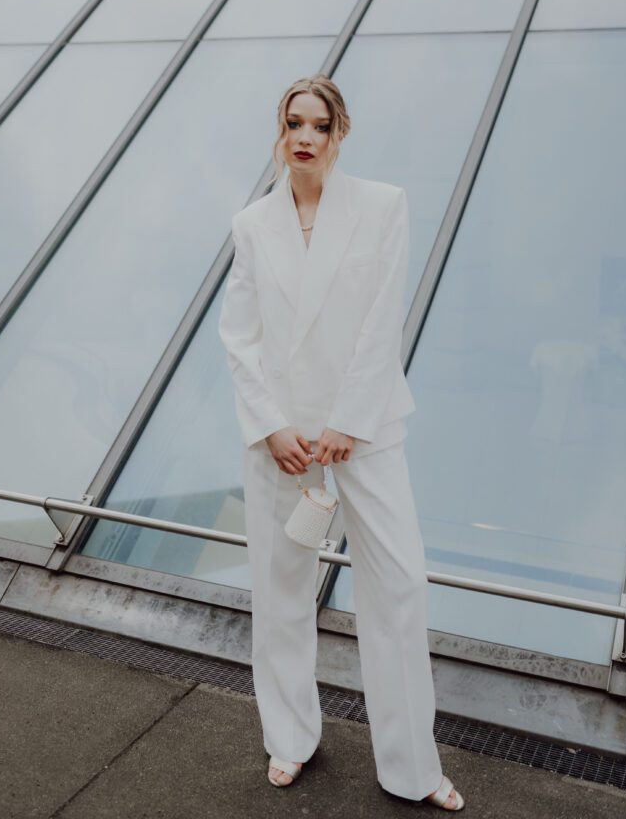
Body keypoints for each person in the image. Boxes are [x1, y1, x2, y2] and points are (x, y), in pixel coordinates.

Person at [218, 74, 464, 810]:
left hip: (365, 428)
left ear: (339, 132)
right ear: (280, 130)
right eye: (293, 123)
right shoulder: (252, 224)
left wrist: (348, 420)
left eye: (319, 125)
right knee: (279, 590)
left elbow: (383, 321)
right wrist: (271, 425)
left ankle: (413, 769)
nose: (305, 136)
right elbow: (239, 335)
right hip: (283, 439)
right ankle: (288, 738)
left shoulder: (382, 206)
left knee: (399, 585)